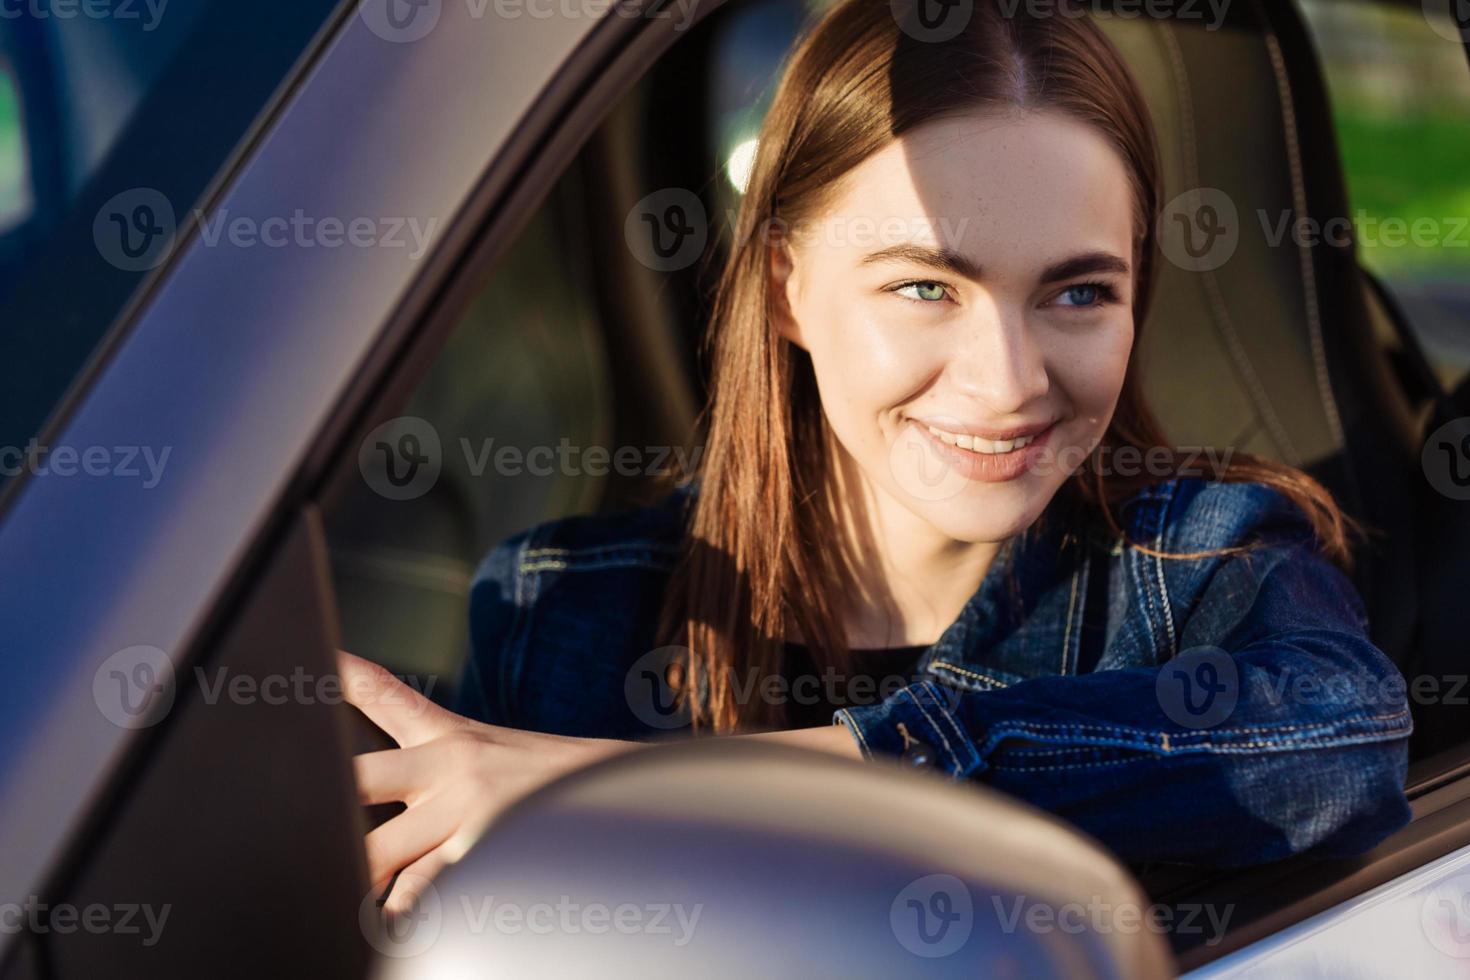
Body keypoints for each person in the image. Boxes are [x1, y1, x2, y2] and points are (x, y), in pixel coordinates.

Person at [341, 0, 1412, 917]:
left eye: (1079, 291)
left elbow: (1335, 741)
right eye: (926, 287)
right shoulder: (562, 613)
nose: (1006, 379)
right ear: (783, 289)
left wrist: (644, 788)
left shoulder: (1205, 562)